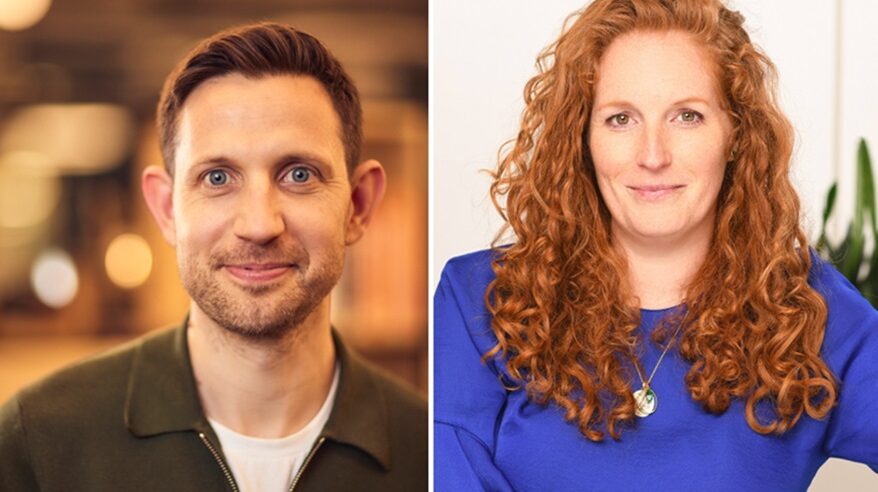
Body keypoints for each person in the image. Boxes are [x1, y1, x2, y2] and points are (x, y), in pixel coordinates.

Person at [434, 0, 878, 490]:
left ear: (736, 135)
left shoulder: (811, 313)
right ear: (581, 137)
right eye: (620, 119)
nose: (652, 155)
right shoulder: (478, 302)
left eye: (686, 116)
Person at [0, 23, 426, 491]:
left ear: (358, 205)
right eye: (218, 178)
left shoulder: (433, 451)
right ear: (165, 208)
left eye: (299, 174)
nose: (260, 224)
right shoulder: (38, 445)